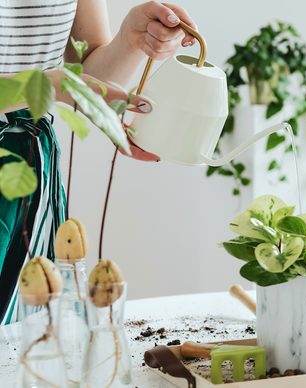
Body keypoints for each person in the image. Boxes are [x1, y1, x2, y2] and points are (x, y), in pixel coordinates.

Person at [0, 0, 197, 324]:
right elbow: (65, 85)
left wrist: (130, 41)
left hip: (30, 164)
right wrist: (53, 85)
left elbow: (86, 73)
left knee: (24, 341)